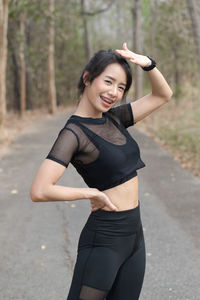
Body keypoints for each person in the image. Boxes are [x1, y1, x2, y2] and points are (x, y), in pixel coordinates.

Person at [30, 42, 173, 300]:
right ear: (87, 78)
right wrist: (90, 194)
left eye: (121, 87)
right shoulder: (73, 133)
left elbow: (162, 95)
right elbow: (40, 190)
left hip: (134, 235)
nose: (114, 92)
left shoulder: (116, 119)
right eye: (108, 82)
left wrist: (147, 63)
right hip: (104, 239)